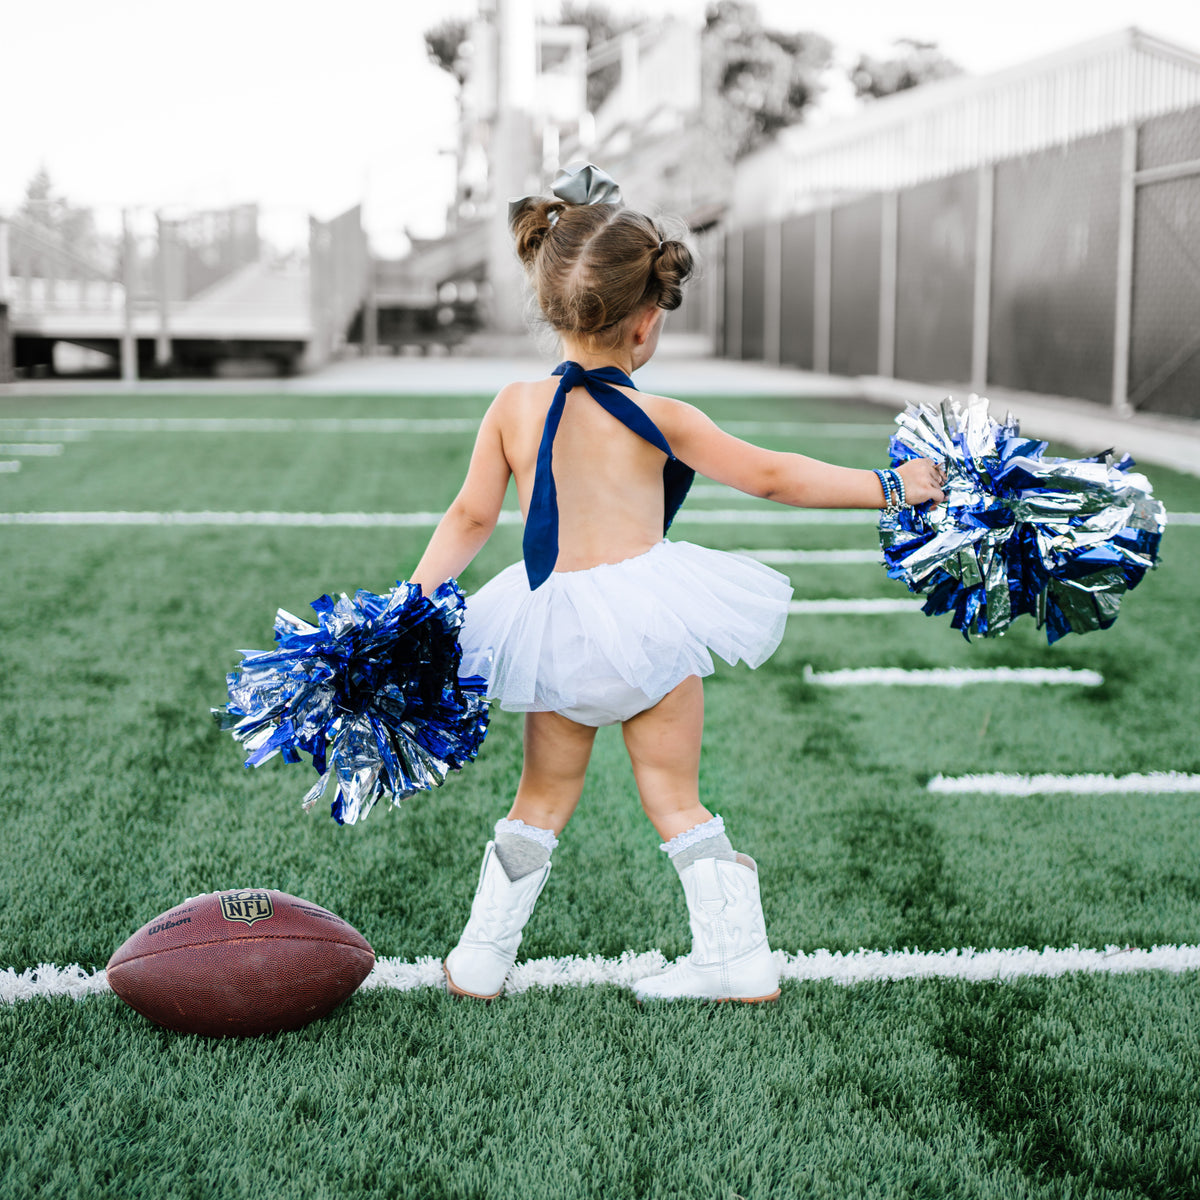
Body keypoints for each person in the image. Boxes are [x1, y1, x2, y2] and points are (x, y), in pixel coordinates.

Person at [407, 164, 945, 1003]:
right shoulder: (663, 417)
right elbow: (774, 476)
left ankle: (481, 958)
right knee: (674, 796)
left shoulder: (512, 405)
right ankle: (736, 958)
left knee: (541, 797)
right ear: (648, 322)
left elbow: (470, 519)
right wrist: (891, 485)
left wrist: (408, 606)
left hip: (553, 630)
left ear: (548, 303)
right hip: (652, 627)